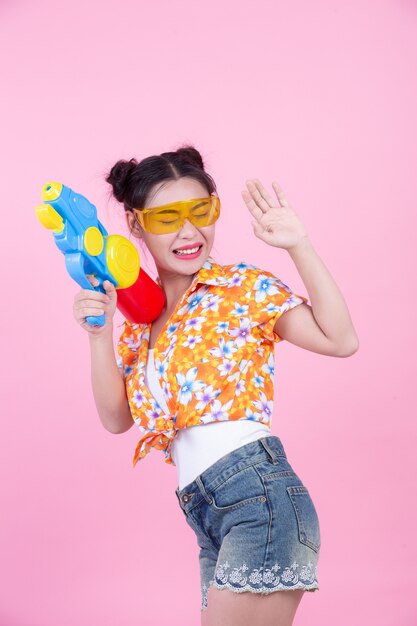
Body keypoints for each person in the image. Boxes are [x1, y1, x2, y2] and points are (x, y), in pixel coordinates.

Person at [73, 145, 359, 626]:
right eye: (167, 217)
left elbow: (341, 339)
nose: (189, 232)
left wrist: (298, 245)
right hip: (205, 512)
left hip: (257, 494)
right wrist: (99, 337)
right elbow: (116, 419)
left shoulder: (239, 289)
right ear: (135, 223)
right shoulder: (139, 322)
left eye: (201, 211)